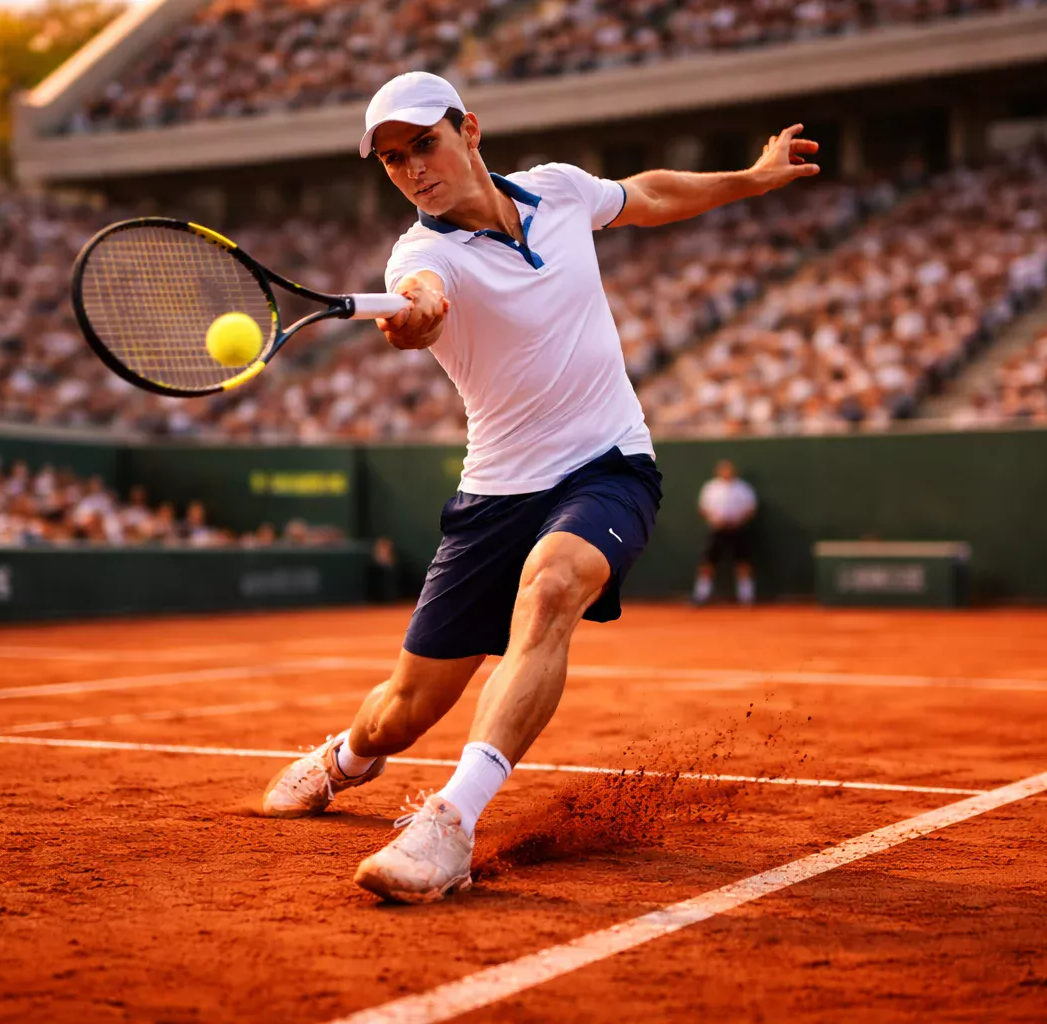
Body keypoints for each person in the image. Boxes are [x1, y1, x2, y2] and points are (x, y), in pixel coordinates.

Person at [259, 71, 819, 904]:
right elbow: (424, 297)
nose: (412, 168)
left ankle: (450, 823)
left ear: (469, 130)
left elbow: (648, 194)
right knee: (401, 716)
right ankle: (344, 759)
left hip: (607, 464)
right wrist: (416, 316)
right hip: (495, 494)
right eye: (391, 160)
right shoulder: (423, 253)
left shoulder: (557, 192)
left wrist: (752, 177)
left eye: (424, 144)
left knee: (554, 584)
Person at [692, 459, 758, 605]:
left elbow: (751, 509)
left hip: (738, 530)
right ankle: (701, 596)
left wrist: (738, 521)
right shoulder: (711, 488)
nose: (726, 472)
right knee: (707, 563)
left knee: (743, 563)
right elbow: (703, 508)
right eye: (723, 469)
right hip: (717, 530)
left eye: (728, 469)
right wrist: (715, 520)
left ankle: (746, 598)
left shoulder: (743, 488)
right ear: (718, 471)